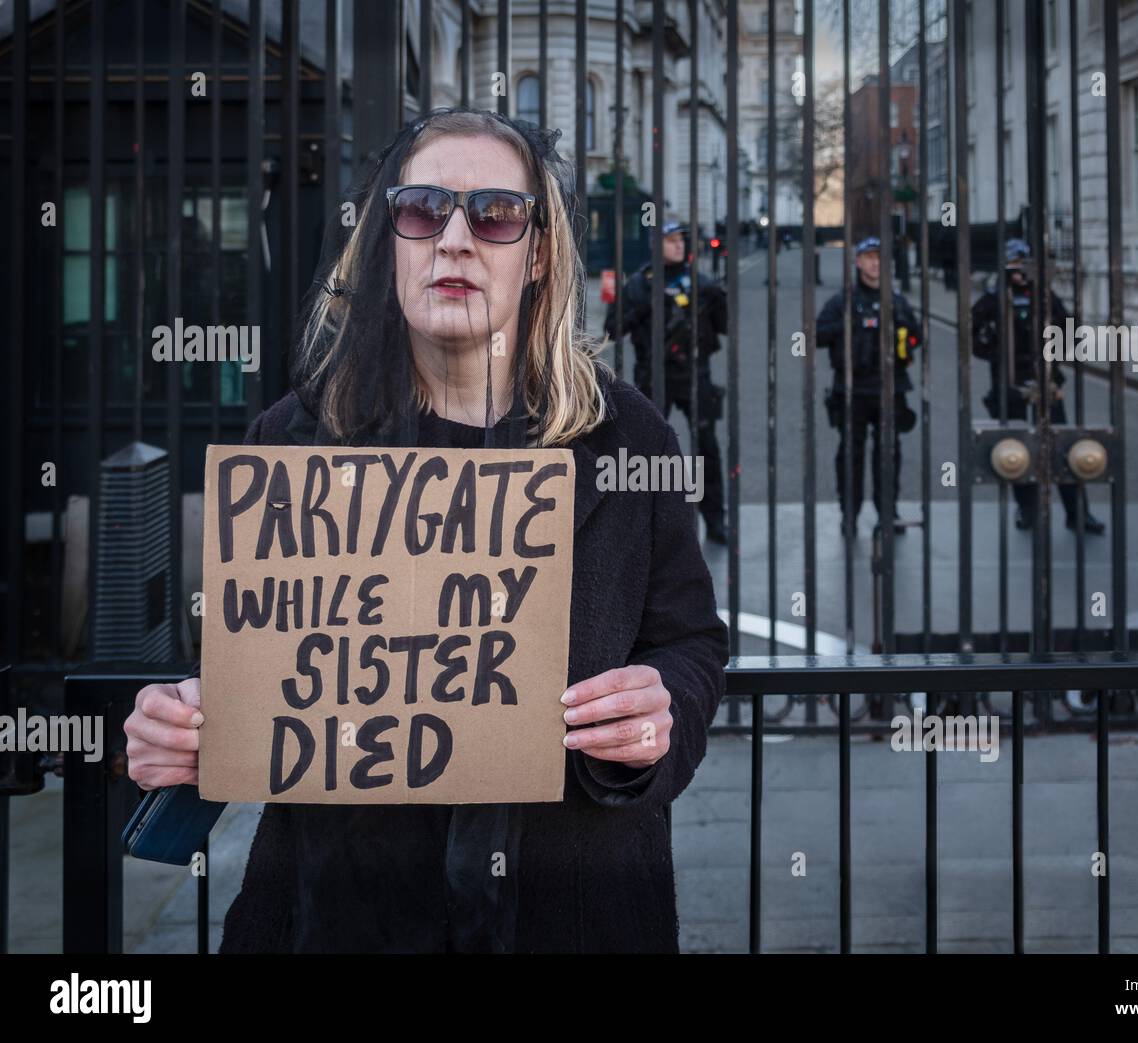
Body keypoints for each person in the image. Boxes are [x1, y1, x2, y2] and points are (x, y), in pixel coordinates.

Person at [123, 107, 730, 953]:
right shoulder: (292, 441)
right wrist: (185, 722)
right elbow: (257, 656)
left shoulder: (630, 440)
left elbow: (692, 640)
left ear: (540, 252)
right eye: (420, 209)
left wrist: (659, 711)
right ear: (387, 242)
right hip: (339, 919)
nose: (454, 239)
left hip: (577, 912)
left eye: (495, 213)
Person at [603, 220, 728, 544]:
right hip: (654, 375)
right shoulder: (639, 284)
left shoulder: (700, 281)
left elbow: (723, 327)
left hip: (695, 374)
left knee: (707, 449)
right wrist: (646, 306)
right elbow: (612, 329)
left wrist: (718, 298)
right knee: (649, 451)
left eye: (681, 240)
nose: (679, 245)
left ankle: (714, 520)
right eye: (671, 240)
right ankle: (648, 524)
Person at [971, 238, 1105, 534]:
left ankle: (1078, 513)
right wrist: (996, 353)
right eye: (1015, 265)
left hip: (1046, 381)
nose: (1020, 272)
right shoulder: (994, 298)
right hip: (1010, 383)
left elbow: (1072, 333)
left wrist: (1055, 354)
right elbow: (972, 336)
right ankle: (1028, 510)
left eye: (1024, 265)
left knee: (1063, 447)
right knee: (1018, 449)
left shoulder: (1045, 297)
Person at [815, 235, 921, 537]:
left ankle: (888, 513)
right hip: (852, 390)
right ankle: (849, 514)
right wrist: (847, 326)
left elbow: (916, 336)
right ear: (858, 262)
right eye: (870, 257)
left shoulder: (896, 301)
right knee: (850, 455)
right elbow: (818, 335)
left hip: (891, 388)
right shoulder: (843, 301)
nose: (876, 262)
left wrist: (905, 337)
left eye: (880, 257)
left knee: (888, 455)